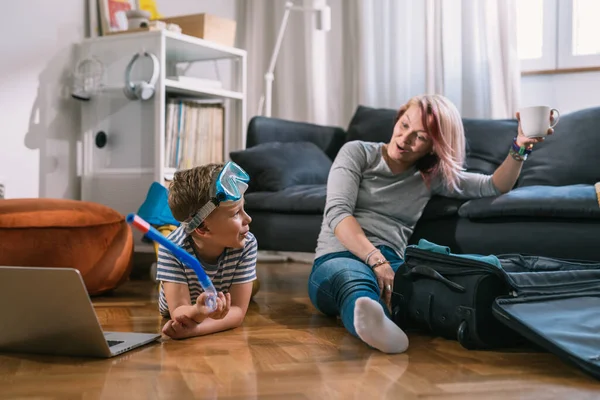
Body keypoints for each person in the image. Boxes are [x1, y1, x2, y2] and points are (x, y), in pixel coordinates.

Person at [308, 94, 551, 354]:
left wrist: (521, 146)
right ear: (398, 117)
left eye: (421, 137)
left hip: (392, 262)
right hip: (338, 254)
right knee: (352, 279)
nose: (404, 140)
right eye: (404, 125)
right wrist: (376, 260)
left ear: (434, 146)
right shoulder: (357, 152)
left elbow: (494, 185)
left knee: (427, 293)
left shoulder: (431, 176)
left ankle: (381, 321)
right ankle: (373, 323)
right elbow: (337, 213)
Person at [156, 161, 257, 340]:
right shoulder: (172, 249)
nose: (248, 219)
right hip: (187, 300)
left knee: (254, 286)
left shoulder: (246, 242)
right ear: (203, 228)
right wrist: (198, 311)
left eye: (244, 209)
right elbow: (178, 312)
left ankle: (253, 282)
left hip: (221, 289)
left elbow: (238, 312)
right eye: (235, 214)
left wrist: (194, 330)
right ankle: (162, 275)